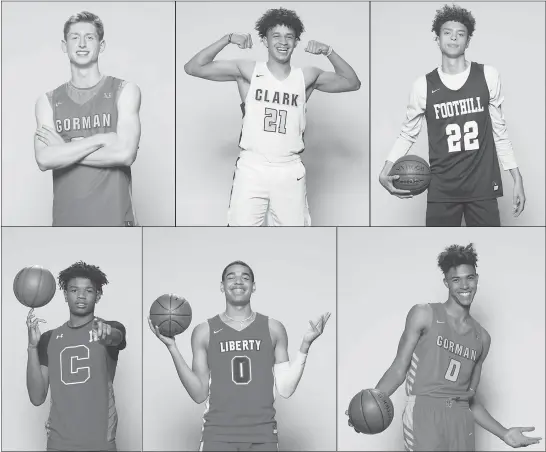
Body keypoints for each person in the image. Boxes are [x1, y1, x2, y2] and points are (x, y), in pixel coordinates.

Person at [348, 244, 541, 451]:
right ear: (446, 283)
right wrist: (370, 405)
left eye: (470, 278)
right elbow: (398, 368)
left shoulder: (482, 338)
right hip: (424, 412)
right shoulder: (424, 314)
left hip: (461, 419)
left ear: (477, 279)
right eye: (456, 279)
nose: (464, 285)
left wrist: (504, 433)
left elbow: (470, 399)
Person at [184, 7, 361, 226]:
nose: (283, 42)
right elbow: (193, 67)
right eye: (275, 35)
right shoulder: (248, 71)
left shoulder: (305, 76)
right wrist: (227, 39)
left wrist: (329, 51)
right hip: (252, 167)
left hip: (289, 169)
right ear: (265, 40)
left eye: (289, 37)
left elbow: (352, 83)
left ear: (296, 42)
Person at [149, 260, 331, 451]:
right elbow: (199, 393)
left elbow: (285, 389)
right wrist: (172, 348)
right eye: (231, 277)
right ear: (222, 286)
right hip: (217, 435)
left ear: (253, 287)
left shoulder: (273, 328)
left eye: (245, 277)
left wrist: (305, 345)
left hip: (263, 435)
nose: (238, 281)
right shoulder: (204, 331)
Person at [379, 4, 526, 227]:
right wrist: (385, 170)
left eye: (460, 34)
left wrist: (517, 178)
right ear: (437, 39)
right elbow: (407, 134)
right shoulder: (423, 86)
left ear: (468, 41)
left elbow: (500, 132)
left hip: (483, 186)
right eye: (447, 33)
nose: (454, 38)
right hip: (442, 189)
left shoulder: (488, 75)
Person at [34, 11, 142, 226]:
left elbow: (125, 154)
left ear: (101, 46)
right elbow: (44, 160)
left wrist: (65, 148)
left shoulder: (125, 90)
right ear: (65, 46)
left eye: (89, 37)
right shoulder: (48, 101)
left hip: (116, 220)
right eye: (75, 37)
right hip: (66, 222)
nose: (82, 44)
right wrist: (99, 140)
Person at [26, 261, 127, 451]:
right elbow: (37, 397)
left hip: (100, 444)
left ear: (98, 296)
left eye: (89, 291)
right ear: (65, 295)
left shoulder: (109, 328)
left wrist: (109, 334)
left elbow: (117, 337)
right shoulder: (50, 338)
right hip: (58, 444)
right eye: (74, 290)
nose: (81, 296)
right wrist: (32, 347)